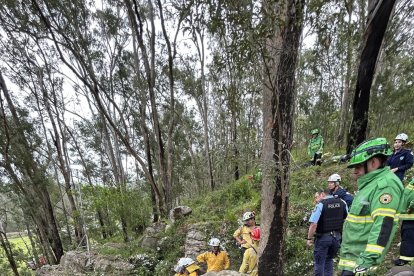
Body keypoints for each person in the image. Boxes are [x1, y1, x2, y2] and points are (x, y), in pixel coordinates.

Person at [338, 138, 404, 276]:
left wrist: (366, 261)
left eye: (358, 166)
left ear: (373, 162)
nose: (354, 171)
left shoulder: (385, 185)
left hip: (360, 263)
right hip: (352, 260)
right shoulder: (369, 185)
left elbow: (383, 225)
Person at [306, 188, 348, 276]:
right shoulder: (342, 202)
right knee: (329, 260)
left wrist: (309, 238)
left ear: (323, 194)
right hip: (336, 238)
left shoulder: (321, 205)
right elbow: (347, 219)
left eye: (318, 196)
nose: (317, 198)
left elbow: (313, 224)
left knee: (319, 263)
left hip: (323, 238)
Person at [394, 178, 414, 266]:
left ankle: (405, 260)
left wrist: (411, 207)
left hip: (411, 216)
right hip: (408, 216)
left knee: (408, 238)